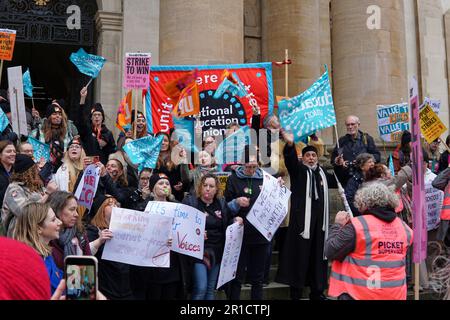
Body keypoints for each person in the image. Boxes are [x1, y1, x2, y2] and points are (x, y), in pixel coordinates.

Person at [276, 130, 337, 300]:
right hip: (301, 225)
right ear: (303, 158)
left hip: (319, 226)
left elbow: (339, 179)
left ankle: (317, 292)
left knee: (318, 259)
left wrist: (339, 165)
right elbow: (290, 161)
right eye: (308, 155)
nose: (311, 158)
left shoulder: (323, 173)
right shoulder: (299, 171)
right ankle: (295, 292)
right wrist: (290, 145)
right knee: (299, 258)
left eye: (313, 155)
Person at [326, 183, 413, 300]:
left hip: (359, 294)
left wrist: (337, 225)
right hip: (395, 295)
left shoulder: (358, 226)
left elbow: (331, 250)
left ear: (365, 202)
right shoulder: (405, 229)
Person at [129, 173, 191, 300]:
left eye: (167, 184)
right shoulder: (143, 207)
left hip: (173, 264)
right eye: (160, 183)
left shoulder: (179, 207)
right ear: (153, 188)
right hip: (152, 267)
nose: (164, 186)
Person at [183, 173, 241, 300]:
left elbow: (226, 223)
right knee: (201, 288)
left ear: (216, 190)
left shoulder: (221, 203)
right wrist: (195, 233)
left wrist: (235, 220)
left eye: (211, 186)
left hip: (217, 251)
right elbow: (182, 225)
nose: (208, 188)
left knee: (210, 289)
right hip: (198, 252)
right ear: (200, 187)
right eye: (205, 185)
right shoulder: (191, 202)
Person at [224, 145, 268, 300]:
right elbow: (224, 208)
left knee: (258, 278)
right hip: (240, 233)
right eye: (248, 167)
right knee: (237, 276)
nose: (251, 170)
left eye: (255, 167)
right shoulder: (233, 178)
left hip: (261, 234)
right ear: (242, 163)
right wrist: (236, 203)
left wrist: (280, 187)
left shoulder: (265, 178)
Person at [86, 195, 133, 300]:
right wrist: (99, 241)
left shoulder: (126, 230)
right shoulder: (92, 231)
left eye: (116, 204)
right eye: (110, 204)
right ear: (101, 209)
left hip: (126, 287)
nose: (115, 206)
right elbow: (86, 255)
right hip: (106, 289)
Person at [2, 154, 58, 237]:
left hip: (37, 232)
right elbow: (24, 212)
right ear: (28, 172)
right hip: (20, 235)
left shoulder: (37, 186)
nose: (38, 171)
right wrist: (48, 194)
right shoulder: (14, 188)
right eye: (34, 169)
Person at [13, 202, 63, 294]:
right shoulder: (30, 265)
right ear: (38, 228)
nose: (60, 222)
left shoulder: (45, 254)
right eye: (53, 220)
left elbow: (59, 278)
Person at [331, 115, 381, 187]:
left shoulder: (366, 139)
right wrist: (339, 162)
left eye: (352, 124)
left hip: (365, 179)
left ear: (358, 124)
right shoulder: (342, 141)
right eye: (348, 125)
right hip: (347, 180)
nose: (350, 127)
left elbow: (377, 156)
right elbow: (333, 159)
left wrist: (364, 161)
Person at [47, 191, 92, 270]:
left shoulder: (79, 232)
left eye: (76, 209)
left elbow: (89, 263)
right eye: (72, 209)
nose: (76, 214)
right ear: (57, 210)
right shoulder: (48, 237)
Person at [76, 86, 116, 165]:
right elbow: (80, 120)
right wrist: (82, 99)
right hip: (89, 166)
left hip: (104, 167)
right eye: (94, 115)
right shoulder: (87, 131)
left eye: (99, 115)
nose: (97, 117)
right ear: (91, 118)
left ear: (102, 118)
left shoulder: (108, 133)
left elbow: (113, 152)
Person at [31, 101, 78, 166]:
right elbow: (30, 150)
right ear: (48, 117)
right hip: (43, 167)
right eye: (54, 114)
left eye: (60, 114)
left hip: (63, 167)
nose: (58, 116)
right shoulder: (37, 133)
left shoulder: (68, 133)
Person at [154, 132, 187, 202]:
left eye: (165, 140)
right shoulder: (151, 158)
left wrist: (181, 184)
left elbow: (184, 177)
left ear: (169, 143)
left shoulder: (176, 156)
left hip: (174, 195)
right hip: (157, 196)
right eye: (160, 140)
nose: (163, 143)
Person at [0, 140, 16, 205]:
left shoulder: (18, 171)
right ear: (0, 155)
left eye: (14, 151)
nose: (13, 154)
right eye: (9, 151)